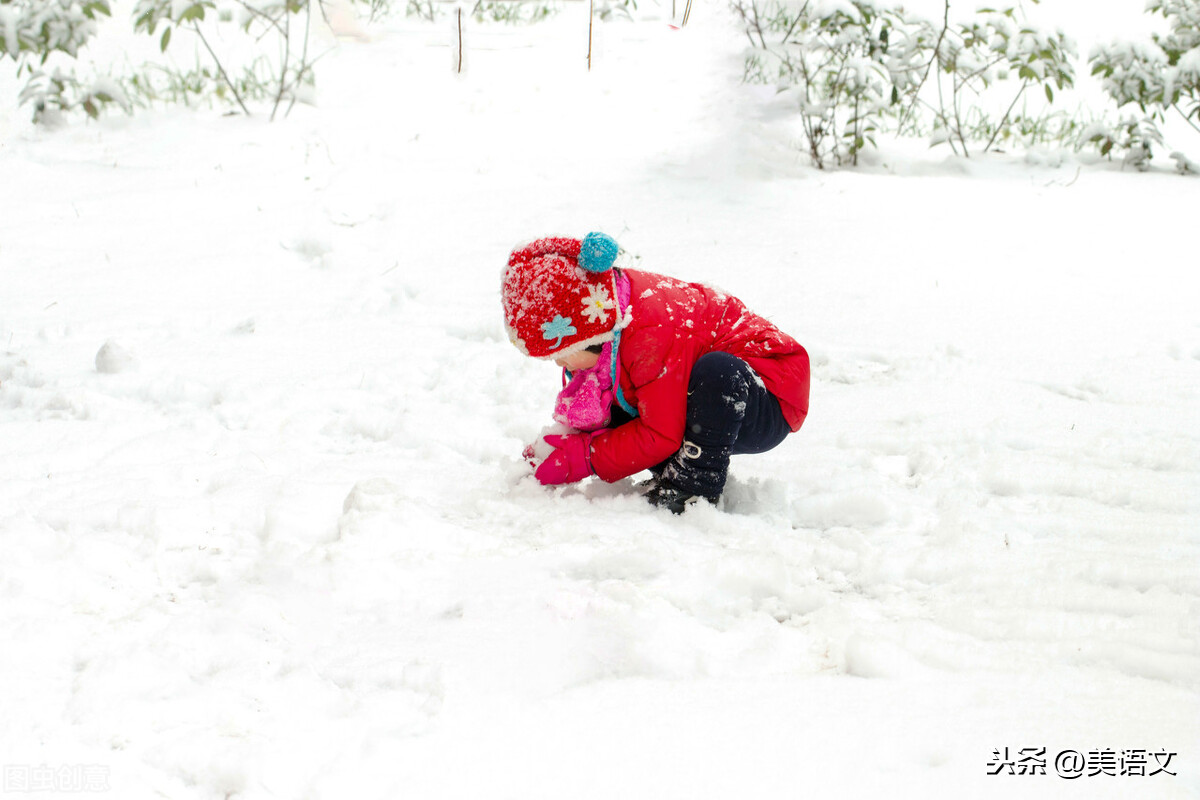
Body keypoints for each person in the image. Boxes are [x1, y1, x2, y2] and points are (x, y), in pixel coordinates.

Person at [502, 232, 810, 513]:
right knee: (623, 404)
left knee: (717, 372)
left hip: (767, 396)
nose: (559, 364)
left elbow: (660, 433)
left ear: (587, 334)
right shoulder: (608, 315)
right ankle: (677, 468)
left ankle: (694, 486)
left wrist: (587, 456)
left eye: (561, 354)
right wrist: (558, 447)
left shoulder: (649, 331)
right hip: (699, 399)